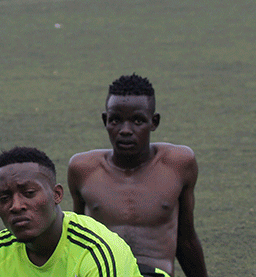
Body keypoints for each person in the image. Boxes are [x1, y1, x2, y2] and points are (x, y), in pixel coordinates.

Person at [67, 74, 207, 277]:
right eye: (116, 120)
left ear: (154, 122)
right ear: (105, 121)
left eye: (138, 121)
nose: (125, 130)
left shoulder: (178, 164)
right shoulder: (83, 169)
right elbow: (78, 241)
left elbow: (185, 238)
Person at [0, 146, 142, 277]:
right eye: (4, 198)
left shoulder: (97, 251)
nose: (16, 206)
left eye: (29, 193)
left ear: (56, 194)